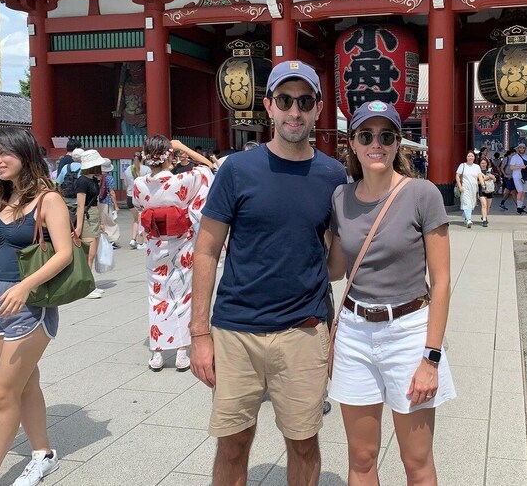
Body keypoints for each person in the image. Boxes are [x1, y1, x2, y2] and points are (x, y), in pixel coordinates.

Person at [189, 60, 346, 486]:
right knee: (233, 441)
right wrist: (199, 334)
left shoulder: (333, 175)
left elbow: (340, 254)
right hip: (236, 328)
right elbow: (205, 251)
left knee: (303, 440)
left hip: (304, 329)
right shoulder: (237, 170)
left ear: (317, 109)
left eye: (305, 101)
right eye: (285, 100)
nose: (294, 111)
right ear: (268, 107)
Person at [327, 100, 456, 485]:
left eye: (386, 136)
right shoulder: (340, 198)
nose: (376, 144)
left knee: (415, 460)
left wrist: (430, 359)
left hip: (409, 331)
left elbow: (443, 280)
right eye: (366, 135)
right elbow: (335, 268)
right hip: (354, 332)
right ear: (352, 143)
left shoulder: (422, 194)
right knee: (362, 457)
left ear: (399, 142)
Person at [0, 128, 74, 486]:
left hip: (29, 304)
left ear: (24, 154)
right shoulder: (1, 200)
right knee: (24, 383)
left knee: (2, 392)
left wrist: (24, 285)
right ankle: (43, 454)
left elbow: (65, 253)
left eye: (3, 153)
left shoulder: (47, 199)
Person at [133, 137, 213, 372]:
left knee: (156, 296)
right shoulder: (183, 180)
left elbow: (139, 208)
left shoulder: (139, 184)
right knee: (183, 294)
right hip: (182, 245)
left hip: (155, 246)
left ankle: (157, 354)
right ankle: (180, 353)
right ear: (169, 155)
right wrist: (184, 148)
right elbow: (209, 168)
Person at [75, 150, 106, 299]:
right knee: (89, 254)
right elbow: (80, 206)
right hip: (86, 217)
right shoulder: (82, 181)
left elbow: (97, 201)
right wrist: (79, 226)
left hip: (93, 215)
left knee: (93, 253)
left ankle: (90, 283)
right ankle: (86, 286)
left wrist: (100, 220)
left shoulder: (94, 180)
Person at [122, 152, 150, 250]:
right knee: (142, 220)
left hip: (130, 196)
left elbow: (125, 183)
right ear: (143, 158)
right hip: (141, 197)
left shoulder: (127, 169)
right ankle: (141, 242)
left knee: (136, 219)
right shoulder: (146, 169)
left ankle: (133, 239)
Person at [455, 151, 482, 227]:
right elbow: (457, 176)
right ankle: (469, 220)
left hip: (474, 188)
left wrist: (483, 184)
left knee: (472, 204)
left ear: (474, 157)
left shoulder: (477, 166)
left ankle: (465, 217)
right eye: (469, 156)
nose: (470, 157)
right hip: (465, 187)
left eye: (472, 156)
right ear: (466, 157)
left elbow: (479, 176)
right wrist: (460, 186)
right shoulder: (462, 165)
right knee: (467, 203)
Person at [98, 159, 120, 247]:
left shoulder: (97, 176)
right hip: (107, 201)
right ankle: (111, 240)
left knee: (102, 221)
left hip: (98, 201)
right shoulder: (109, 177)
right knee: (111, 221)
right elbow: (111, 192)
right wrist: (116, 205)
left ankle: (103, 239)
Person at [509, 143, 527, 214]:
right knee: (520, 191)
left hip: (525, 176)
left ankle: (520, 206)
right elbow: (511, 167)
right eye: (520, 148)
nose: (522, 149)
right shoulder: (514, 157)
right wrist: (520, 167)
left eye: (523, 148)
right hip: (517, 176)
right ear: (518, 149)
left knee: (523, 192)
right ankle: (518, 207)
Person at [477, 157, 495, 227]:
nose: (483, 164)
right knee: (484, 205)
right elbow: (477, 182)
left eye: (484, 163)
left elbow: (495, 180)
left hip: (490, 190)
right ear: (479, 164)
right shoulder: (478, 172)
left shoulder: (490, 170)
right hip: (482, 190)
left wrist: (492, 177)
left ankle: (484, 216)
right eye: (482, 163)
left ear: (487, 163)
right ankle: (484, 220)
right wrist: (484, 179)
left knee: (488, 206)